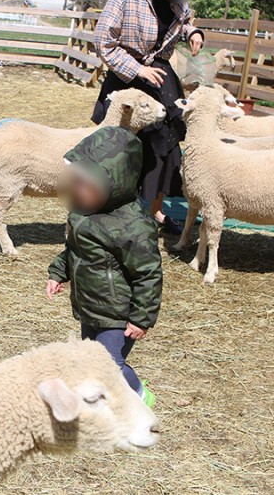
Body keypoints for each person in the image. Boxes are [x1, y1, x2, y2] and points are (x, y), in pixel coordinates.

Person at [46, 127, 162, 408]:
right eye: (77, 182)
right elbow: (75, 250)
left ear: (116, 183)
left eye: (88, 186)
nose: (78, 190)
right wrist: (58, 272)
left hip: (118, 313)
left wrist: (141, 317)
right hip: (90, 306)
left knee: (109, 364)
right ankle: (100, 400)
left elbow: (148, 274)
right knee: (90, 358)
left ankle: (137, 396)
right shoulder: (82, 213)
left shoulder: (132, 226)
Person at [92, 0, 204, 234]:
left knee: (164, 147)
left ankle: (155, 212)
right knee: (119, 149)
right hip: (128, 79)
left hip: (161, 81)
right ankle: (108, 211)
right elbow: (103, 42)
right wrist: (138, 69)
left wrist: (192, 33)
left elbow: (184, 21)